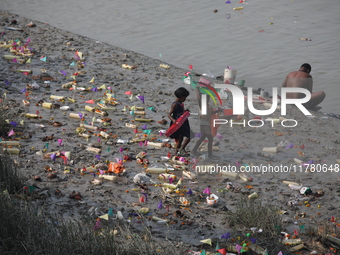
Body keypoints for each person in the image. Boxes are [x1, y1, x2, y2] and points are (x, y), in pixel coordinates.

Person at [191, 86, 221, 160]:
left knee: (203, 137)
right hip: (204, 123)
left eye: (208, 98)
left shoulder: (208, 106)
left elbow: (211, 113)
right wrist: (197, 89)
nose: (207, 99)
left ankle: (194, 150)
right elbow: (198, 98)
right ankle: (210, 155)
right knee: (210, 138)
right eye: (206, 98)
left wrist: (218, 111)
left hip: (206, 123)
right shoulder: (202, 106)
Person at [168, 87, 194, 156]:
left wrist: (185, 111)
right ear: (180, 97)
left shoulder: (180, 103)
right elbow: (169, 114)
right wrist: (173, 120)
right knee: (182, 137)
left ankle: (180, 150)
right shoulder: (175, 104)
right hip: (178, 123)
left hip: (183, 121)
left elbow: (181, 111)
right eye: (184, 98)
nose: (185, 99)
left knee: (184, 137)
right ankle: (178, 151)